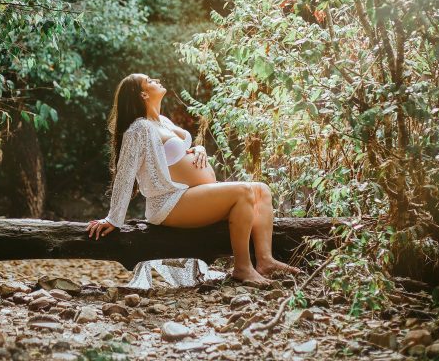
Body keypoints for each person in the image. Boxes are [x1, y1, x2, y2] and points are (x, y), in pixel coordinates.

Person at [86, 73, 300, 285]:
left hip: (190, 195)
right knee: (243, 191)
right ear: (142, 94)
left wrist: (198, 149)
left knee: (261, 189)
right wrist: (113, 218)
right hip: (170, 202)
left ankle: (265, 261)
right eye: (150, 81)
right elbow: (125, 172)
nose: (157, 80)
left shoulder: (162, 121)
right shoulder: (139, 129)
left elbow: (176, 153)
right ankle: (242, 268)